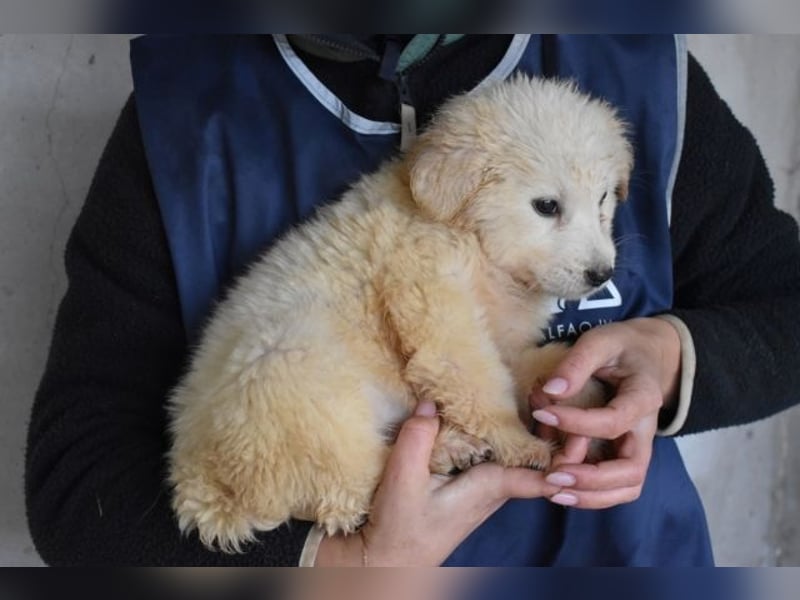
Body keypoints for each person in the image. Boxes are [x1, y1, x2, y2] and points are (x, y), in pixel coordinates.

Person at [25, 35, 800, 566]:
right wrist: (330, 566)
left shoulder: (641, 74)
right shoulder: (182, 120)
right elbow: (78, 484)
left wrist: (672, 359)